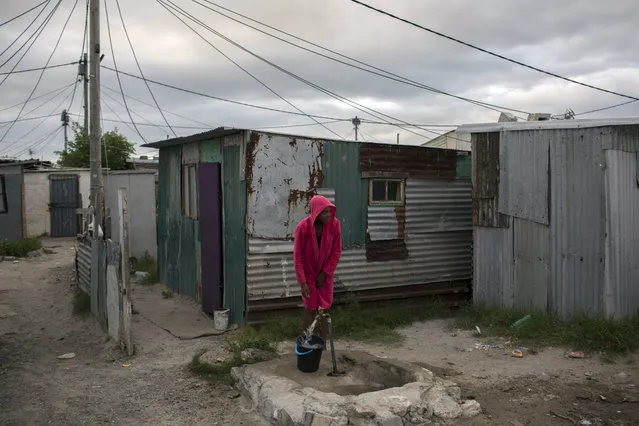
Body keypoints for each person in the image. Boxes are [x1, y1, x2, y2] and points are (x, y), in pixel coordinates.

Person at [293, 195, 342, 343]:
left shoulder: (335, 225)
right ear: (316, 213)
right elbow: (298, 257)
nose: (328, 215)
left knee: (323, 309)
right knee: (310, 309)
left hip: (325, 274)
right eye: (324, 212)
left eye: (329, 211)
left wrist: (325, 273)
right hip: (308, 274)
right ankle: (305, 341)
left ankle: (323, 343)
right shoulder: (303, 228)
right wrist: (303, 282)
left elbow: (336, 252)